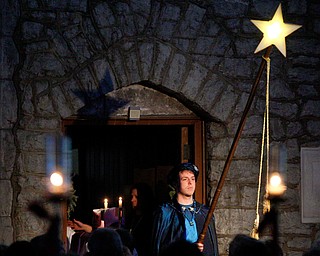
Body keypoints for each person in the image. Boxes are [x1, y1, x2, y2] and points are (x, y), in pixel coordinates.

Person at [151, 162, 219, 256]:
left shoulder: (204, 212)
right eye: (185, 179)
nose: (190, 183)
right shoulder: (165, 213)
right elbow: (159, 248)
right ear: (175, 183)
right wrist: (189, 249)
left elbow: (212, 248)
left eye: (193, 179)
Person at [124, 182, 155, 256]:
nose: (132, 200)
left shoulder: (151, 219)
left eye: (136, 197)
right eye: (132, 197)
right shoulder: (131, 217)